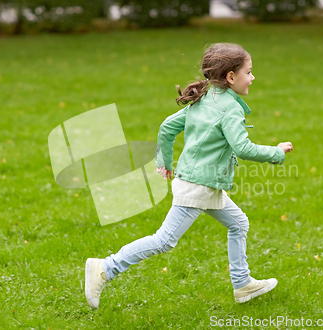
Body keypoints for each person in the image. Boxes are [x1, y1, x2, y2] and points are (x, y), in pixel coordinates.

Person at [85, 43, 293, 309]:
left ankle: (242, 284)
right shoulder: (230, 108)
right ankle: (105, 268)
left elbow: (167, 127)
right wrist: (276, 152)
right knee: (164, 240)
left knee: (238, 223)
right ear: (231, 77)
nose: (252, 78)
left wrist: (165, 162)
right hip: (199, 186)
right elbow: (242, 147)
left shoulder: (205, 97)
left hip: (200, 182)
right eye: (249, 72)